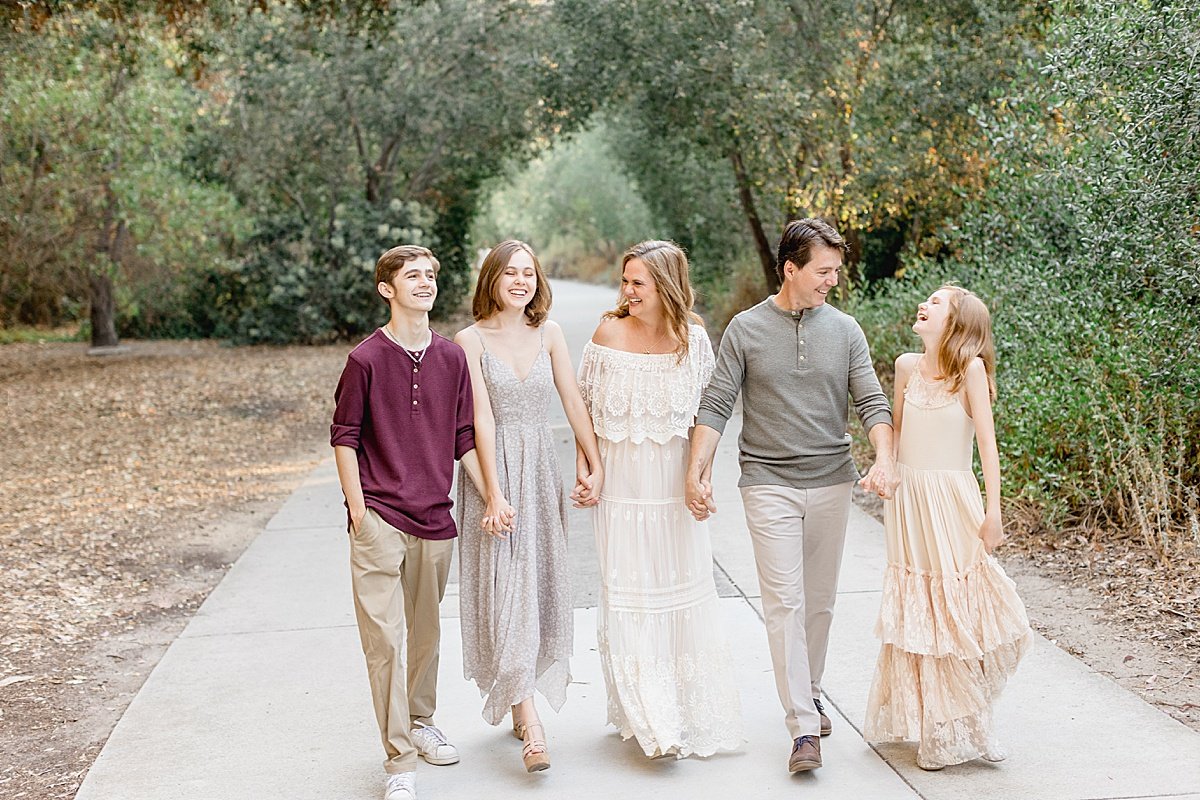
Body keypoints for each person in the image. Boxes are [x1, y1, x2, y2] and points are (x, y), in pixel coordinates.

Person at [685, 218, 896, 774]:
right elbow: (716, 403)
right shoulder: (745, 329)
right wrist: (697, 471)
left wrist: (887, 459)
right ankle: (803, 726)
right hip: (767, 482)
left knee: (820, 601)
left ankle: (813, 688)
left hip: (831, 480)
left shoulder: (846, 329)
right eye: (823, 271)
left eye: (835, 271)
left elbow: (872, 401)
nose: (832, 281)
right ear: (790, 269)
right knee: (784, 604)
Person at [331, 244, 490, 800]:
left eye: (430, 275)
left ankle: (421, 723)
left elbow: (463, 436)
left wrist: (492, 493)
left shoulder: (451, 358)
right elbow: (345, 436)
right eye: (412, 276)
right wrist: (358, 511)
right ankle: (398, 760)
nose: (425, 282)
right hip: (378, 517)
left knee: (425, 637)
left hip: (434, 517)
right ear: (387, 289)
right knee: (386, 643)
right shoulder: (365, 360)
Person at [578, 239, 744, 759]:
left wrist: (701, 477)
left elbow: (707, 418)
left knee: (681, 593)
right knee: (631, 597)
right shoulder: (607, 333)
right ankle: (651, 718)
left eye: (638, 283)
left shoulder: (694, 338)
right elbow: (582, 413)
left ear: (666, 285)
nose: (627, 292)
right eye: (625, 281)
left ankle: (680, 708)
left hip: (674, 492)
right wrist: (589, 472)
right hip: (623, 495)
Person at [862, 284, 1033, 771]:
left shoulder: (970, 371)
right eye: (927, 299)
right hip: (910, 502)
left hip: (952, 502)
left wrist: (994, 513)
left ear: (958, 322)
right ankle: (930, 724)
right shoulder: (904, 367)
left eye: (937, 303)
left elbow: (989, 448)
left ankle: (971, 724)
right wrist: (884, 469)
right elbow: (892, 433)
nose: (924, 304)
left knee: (954, 614)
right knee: (921, 615)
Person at [454, 240, 604, 773]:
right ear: (492, 279)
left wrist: (593, 460)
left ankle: (521, 699)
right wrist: (493, 492)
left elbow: (571, 398)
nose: (521, 281)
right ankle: (532, 725)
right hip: (494, 474)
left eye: (529, 273)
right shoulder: (469, 340)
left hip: (539, 470)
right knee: (507, 589)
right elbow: (480, 420)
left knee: (534, 588)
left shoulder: (551, 333)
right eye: (511, 273)